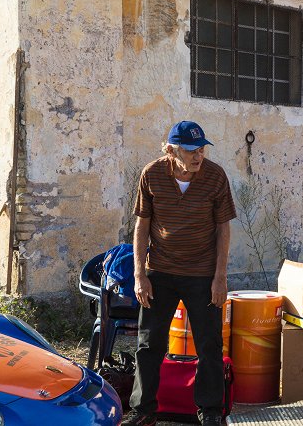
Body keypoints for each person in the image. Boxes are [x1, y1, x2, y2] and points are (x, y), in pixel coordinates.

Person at [122, 121, 236, 426]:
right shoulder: (152, 174)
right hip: (160, 271)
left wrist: (220, 277)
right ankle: (144, 410)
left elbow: (224, 227)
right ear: (172, 150)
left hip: (202, 273)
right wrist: (139, 276)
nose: (198, 156)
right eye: (190, 150)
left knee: (209, 344)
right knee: (149, 344)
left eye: (201, 149)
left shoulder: (215, 176)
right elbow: (142, 226)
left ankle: (210, 412)